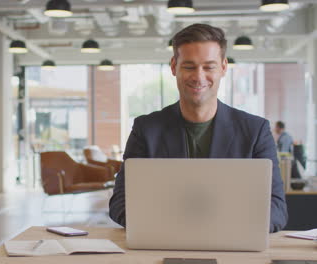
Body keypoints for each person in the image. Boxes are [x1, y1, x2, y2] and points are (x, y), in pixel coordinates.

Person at [109, 23, 288, 233]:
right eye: (189, 66)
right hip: (164, 243)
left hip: (231, 245)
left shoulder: (255, 130)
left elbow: (277, 209)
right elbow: (120, 203)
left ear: (223, 67)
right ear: (174, 66)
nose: (199, 77)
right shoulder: (146, 129)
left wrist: (220, 228)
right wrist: (177, 228)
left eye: (209, 66)